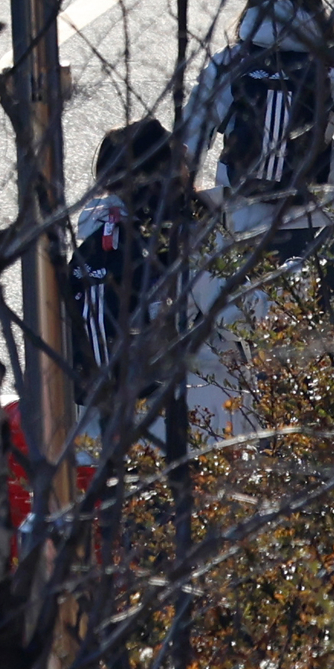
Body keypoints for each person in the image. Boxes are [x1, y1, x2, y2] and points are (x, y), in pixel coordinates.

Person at [176, 0, 334, 255]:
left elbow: (189, 142)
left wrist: (186, 210)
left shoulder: (229, 64)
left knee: (246, 302)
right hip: (317, 222)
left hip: (239, 222)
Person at [66, 117, 238, 459]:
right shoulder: (189, 237)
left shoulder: (89, 241)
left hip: (94, 433)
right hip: (183, 420)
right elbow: (242, 320)